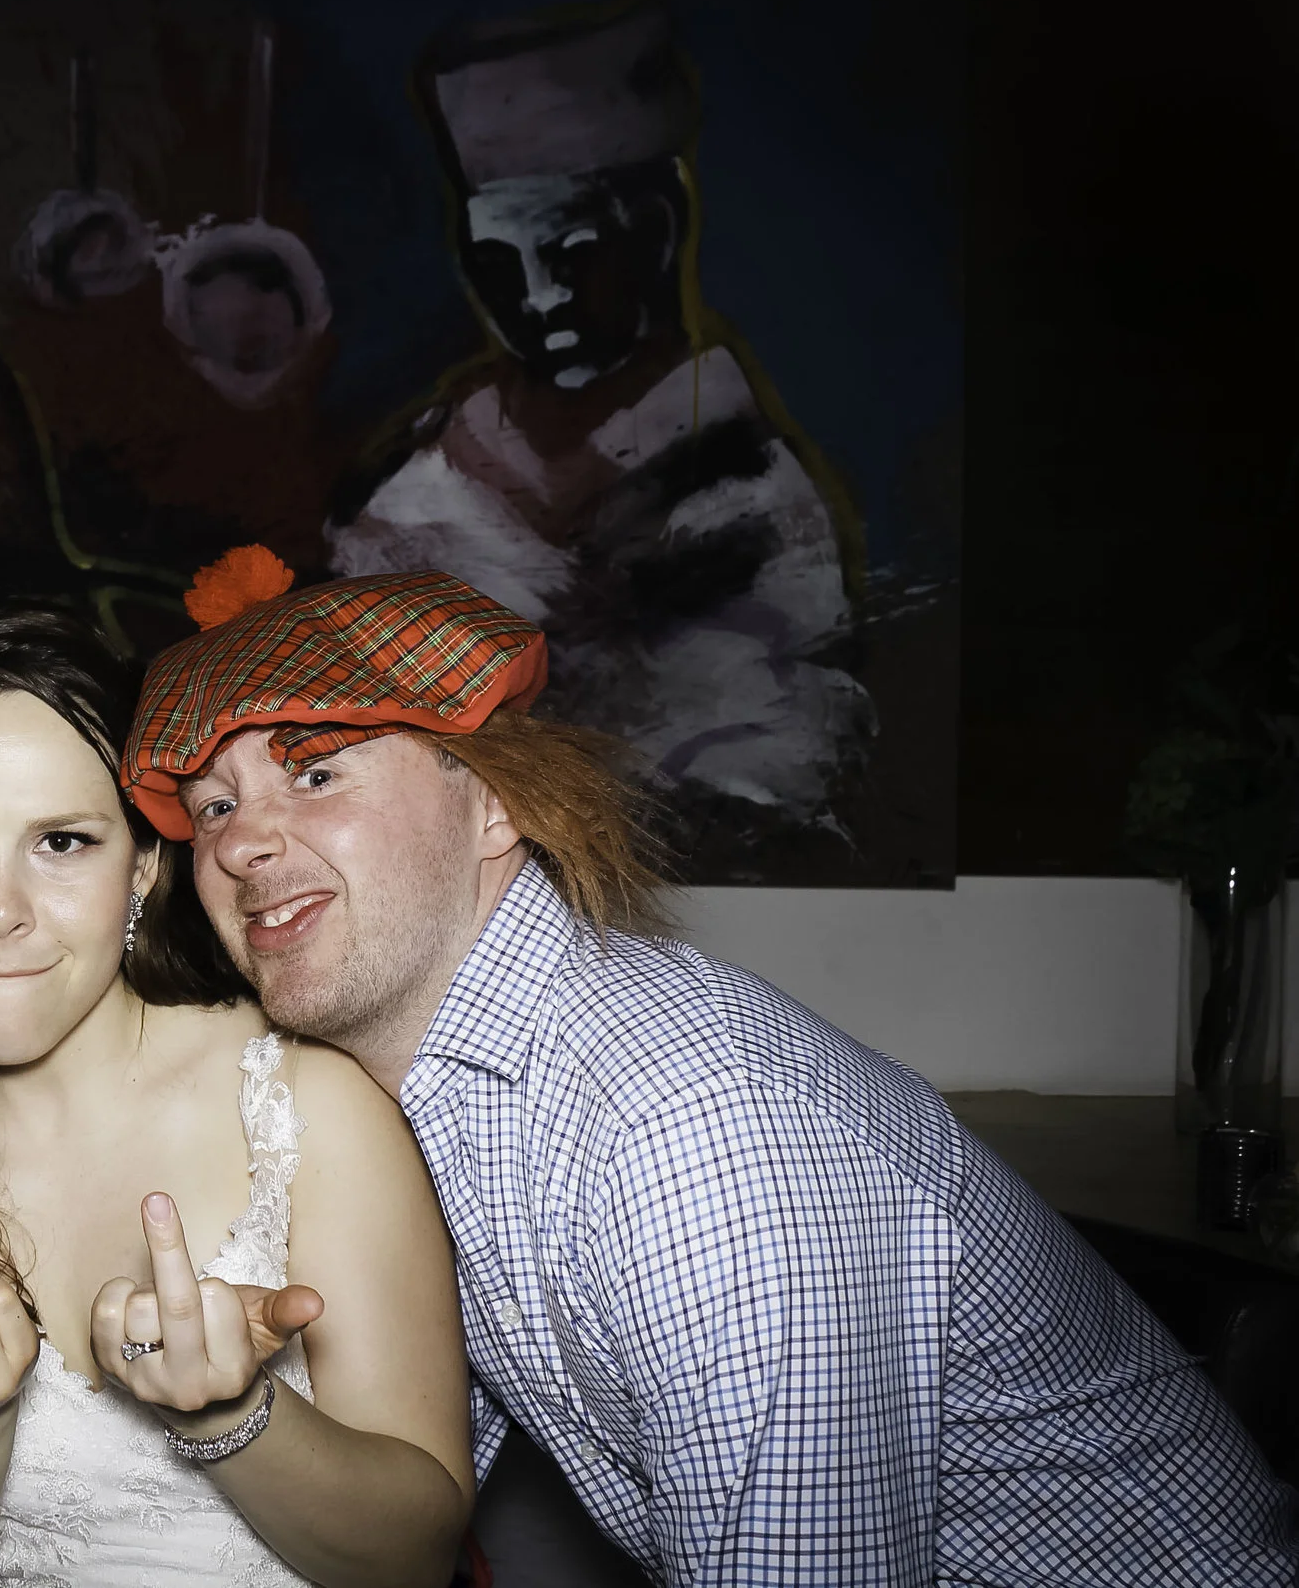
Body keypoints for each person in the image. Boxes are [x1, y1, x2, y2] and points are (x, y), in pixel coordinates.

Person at [120, 548, 1299, 1585]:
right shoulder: (434, 1098)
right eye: (211, 806)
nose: (241, 843)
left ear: (495, 806)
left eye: (316, 772)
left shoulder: (690, 1122)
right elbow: (413, 1487)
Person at [0, 606, 477, 1587]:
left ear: (142, 860)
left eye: (61, 840)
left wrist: (230, 1415)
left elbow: (416, 1556)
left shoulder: (308, 1104)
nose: (0, 911)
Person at [327, 0, 873, 857]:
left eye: (571, 253)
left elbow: (784, 760)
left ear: (656, 234)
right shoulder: (414, 487)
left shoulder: (748, 495)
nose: (538, 297)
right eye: (499, 262)